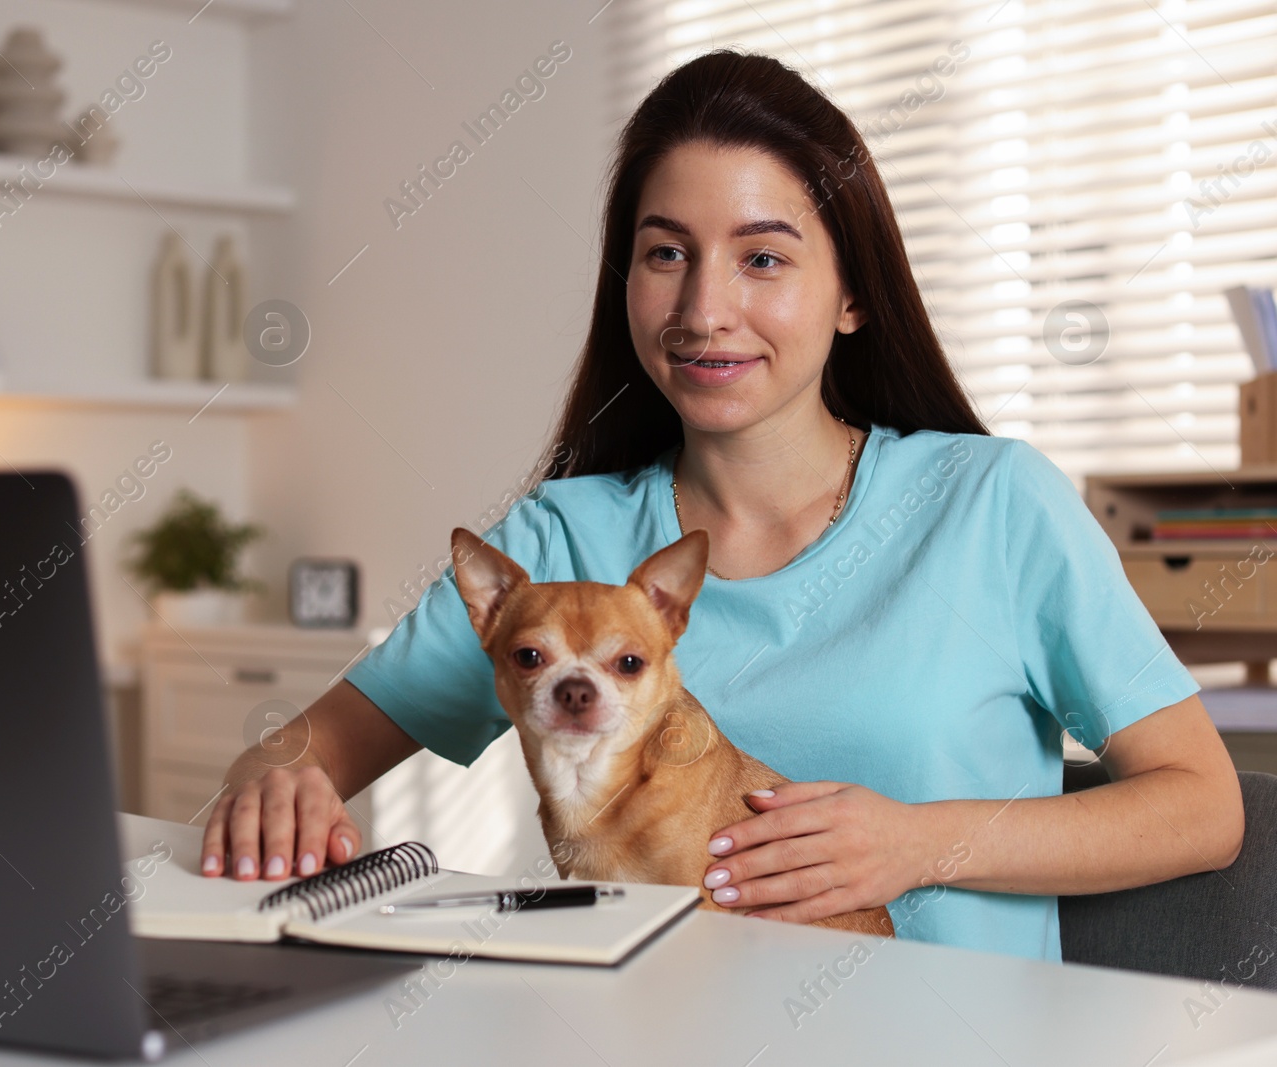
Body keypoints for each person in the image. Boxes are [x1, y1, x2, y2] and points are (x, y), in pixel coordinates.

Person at [199, 50, 1243, 960]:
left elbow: (1203, 805)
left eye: (762, 257)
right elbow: (308, 744)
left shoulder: (993, 504)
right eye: (666, 254)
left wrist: (920, 841)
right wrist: (277, 778)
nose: (704, 309)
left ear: (851, 295)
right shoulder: (561, 542)